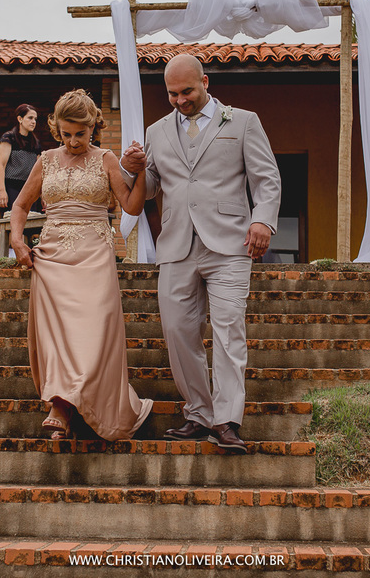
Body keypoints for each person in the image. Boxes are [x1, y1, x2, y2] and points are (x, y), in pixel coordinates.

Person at [120, 54, 281, 454]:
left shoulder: (243, 121)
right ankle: (199, 412)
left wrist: (263, 220)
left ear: (205, 82)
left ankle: (226, 421)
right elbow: (152, 186)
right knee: (178, 332)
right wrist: (133, 168)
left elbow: (267, 177)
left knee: (228, 331)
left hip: (229, 243)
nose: (179, 100)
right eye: (172, 94)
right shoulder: (157, 131)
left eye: (187, 91)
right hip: (175, 244)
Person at [10, 89, 152, 441]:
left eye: (81, 134)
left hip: (94, 252)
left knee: (92, 331)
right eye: (66, 133)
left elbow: (132, 207)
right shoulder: (45, 160)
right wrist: (16, 239)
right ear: (57, 128)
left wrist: (142, 174)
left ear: (93, 128)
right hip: (53, 253)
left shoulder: (105, 159)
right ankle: (60, 404)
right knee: (58, 335)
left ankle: (82, 400)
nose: (73, 141)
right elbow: (20, 206)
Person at [0, 104, 43, 213]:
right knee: (14, 218)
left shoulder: (35, 143)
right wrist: (1, 191)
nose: (33, 122)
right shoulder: (9, 138)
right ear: (20, 119)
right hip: (10, 186)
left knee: (30, 221)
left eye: (35, 119)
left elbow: (39, 172)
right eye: (30, 118)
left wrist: (41, 195)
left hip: (28, 187)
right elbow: (0, 165)